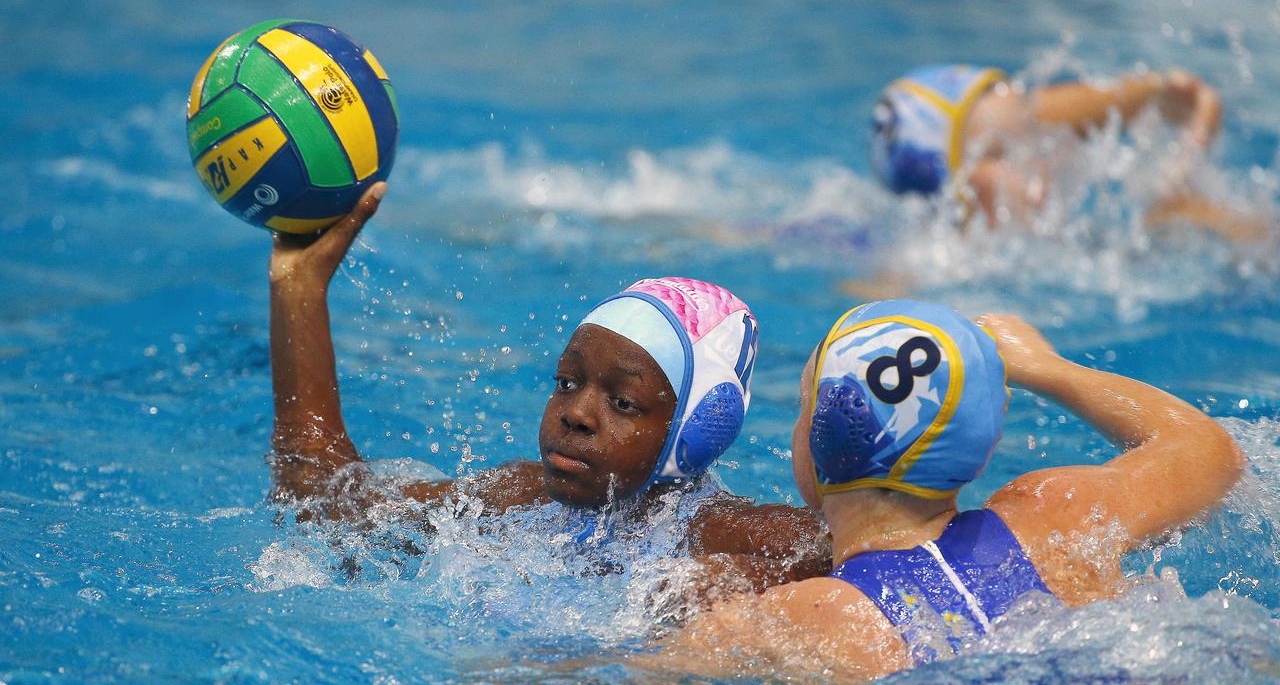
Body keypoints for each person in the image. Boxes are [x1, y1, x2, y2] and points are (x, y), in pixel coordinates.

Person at [266, 182, 830, 592]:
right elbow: (318, 501)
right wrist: (300, 288)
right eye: (567, 382)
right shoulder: (515, 499)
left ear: (698, 430)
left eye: (623, 402)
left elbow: (895, 559)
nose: (576, 413)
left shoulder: (729, 536)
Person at [652, 300, 1244, 680]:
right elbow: (1207, 450)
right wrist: (1046, 367)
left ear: (820, 442)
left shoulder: (804, 618)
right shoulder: (1059, 518)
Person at [871, 63, 1265, 240]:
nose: (1042, 163)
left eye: (1037, 143)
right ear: (958, 192)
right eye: (1004, 154)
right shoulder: (928, 281)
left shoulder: (1103, 245)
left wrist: (1184, 165)